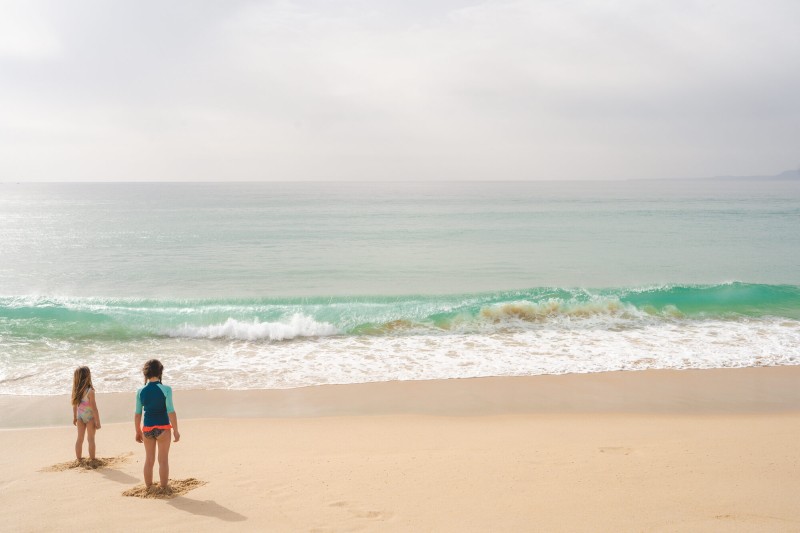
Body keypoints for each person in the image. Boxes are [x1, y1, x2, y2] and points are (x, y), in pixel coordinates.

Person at [134, 359, 180, 490]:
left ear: (146, 374)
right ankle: (164, 488)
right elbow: (171, 411)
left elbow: (137, 414)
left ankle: (149, 487)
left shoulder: (140, 391)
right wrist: (176, 430)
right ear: (160, 372)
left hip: (147, 429)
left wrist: (137, 431)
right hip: (163, 429)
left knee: (149, 460)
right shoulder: (166, 389)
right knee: (163, 460)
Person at [72, 366, 101, 461]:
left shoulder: (76, 391)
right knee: (91, 439)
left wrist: (75, 417)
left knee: (79, 439)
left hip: (80, 417)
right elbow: (94, 408)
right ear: (88, 377)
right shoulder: (90, 392)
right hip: (90, 418)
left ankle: (79, 458)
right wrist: (98, 421)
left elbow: (74, 405)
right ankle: (93, 459)